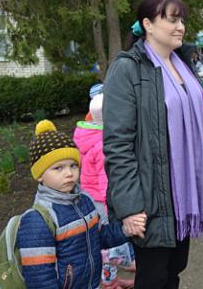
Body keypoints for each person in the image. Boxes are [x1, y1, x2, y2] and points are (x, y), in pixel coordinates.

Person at [103, 0, 203, 289]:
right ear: (148, 24)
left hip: (182, 193)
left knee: (174, 272)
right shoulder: (127, 69)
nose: (181, 27)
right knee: (153, 278)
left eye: (182, 21)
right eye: (172, 20)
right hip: (149, 200)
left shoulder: (183, 66)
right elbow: (117, 145)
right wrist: (129, 208)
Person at [17, 120, 134, 289]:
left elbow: (100, 237)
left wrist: (125, 230)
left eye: (73, 165)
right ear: (39, 174)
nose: (69, 173)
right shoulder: (38, 219)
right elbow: (40, 279)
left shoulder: (84, 200)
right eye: (58, 168)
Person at [73, 88, 137, 288]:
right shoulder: (102, 143)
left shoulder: (86, 135)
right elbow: (105, 178)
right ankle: (115, 269)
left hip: (88, 194)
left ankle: (109, 279)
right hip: (101, 199)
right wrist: (113, 201)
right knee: (109, 240)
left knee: (101, 238)